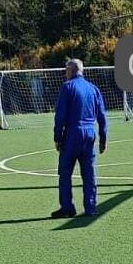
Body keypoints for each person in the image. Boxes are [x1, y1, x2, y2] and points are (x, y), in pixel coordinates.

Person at [51, 59, 108, 218]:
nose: (65, 73)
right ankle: (91, 208)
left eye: (66, 70)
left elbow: (60, 116)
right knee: (89, 173)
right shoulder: (93, 89)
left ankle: (67, 207)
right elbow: (102, 116)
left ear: (70, 70)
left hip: (73, 133)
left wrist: (57, 137)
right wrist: (103, 138)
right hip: (89, 133)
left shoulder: (67, 87)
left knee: (65, 172)